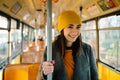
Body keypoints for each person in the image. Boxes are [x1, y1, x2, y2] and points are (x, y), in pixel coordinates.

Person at [41, 10, 98, 80]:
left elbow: (94, 76)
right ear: (62, 29)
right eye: (70, 27)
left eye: (78, 27)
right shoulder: (50, 49)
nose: (74, 32)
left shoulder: (87, 49)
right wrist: (44, 73)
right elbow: (44, 77)